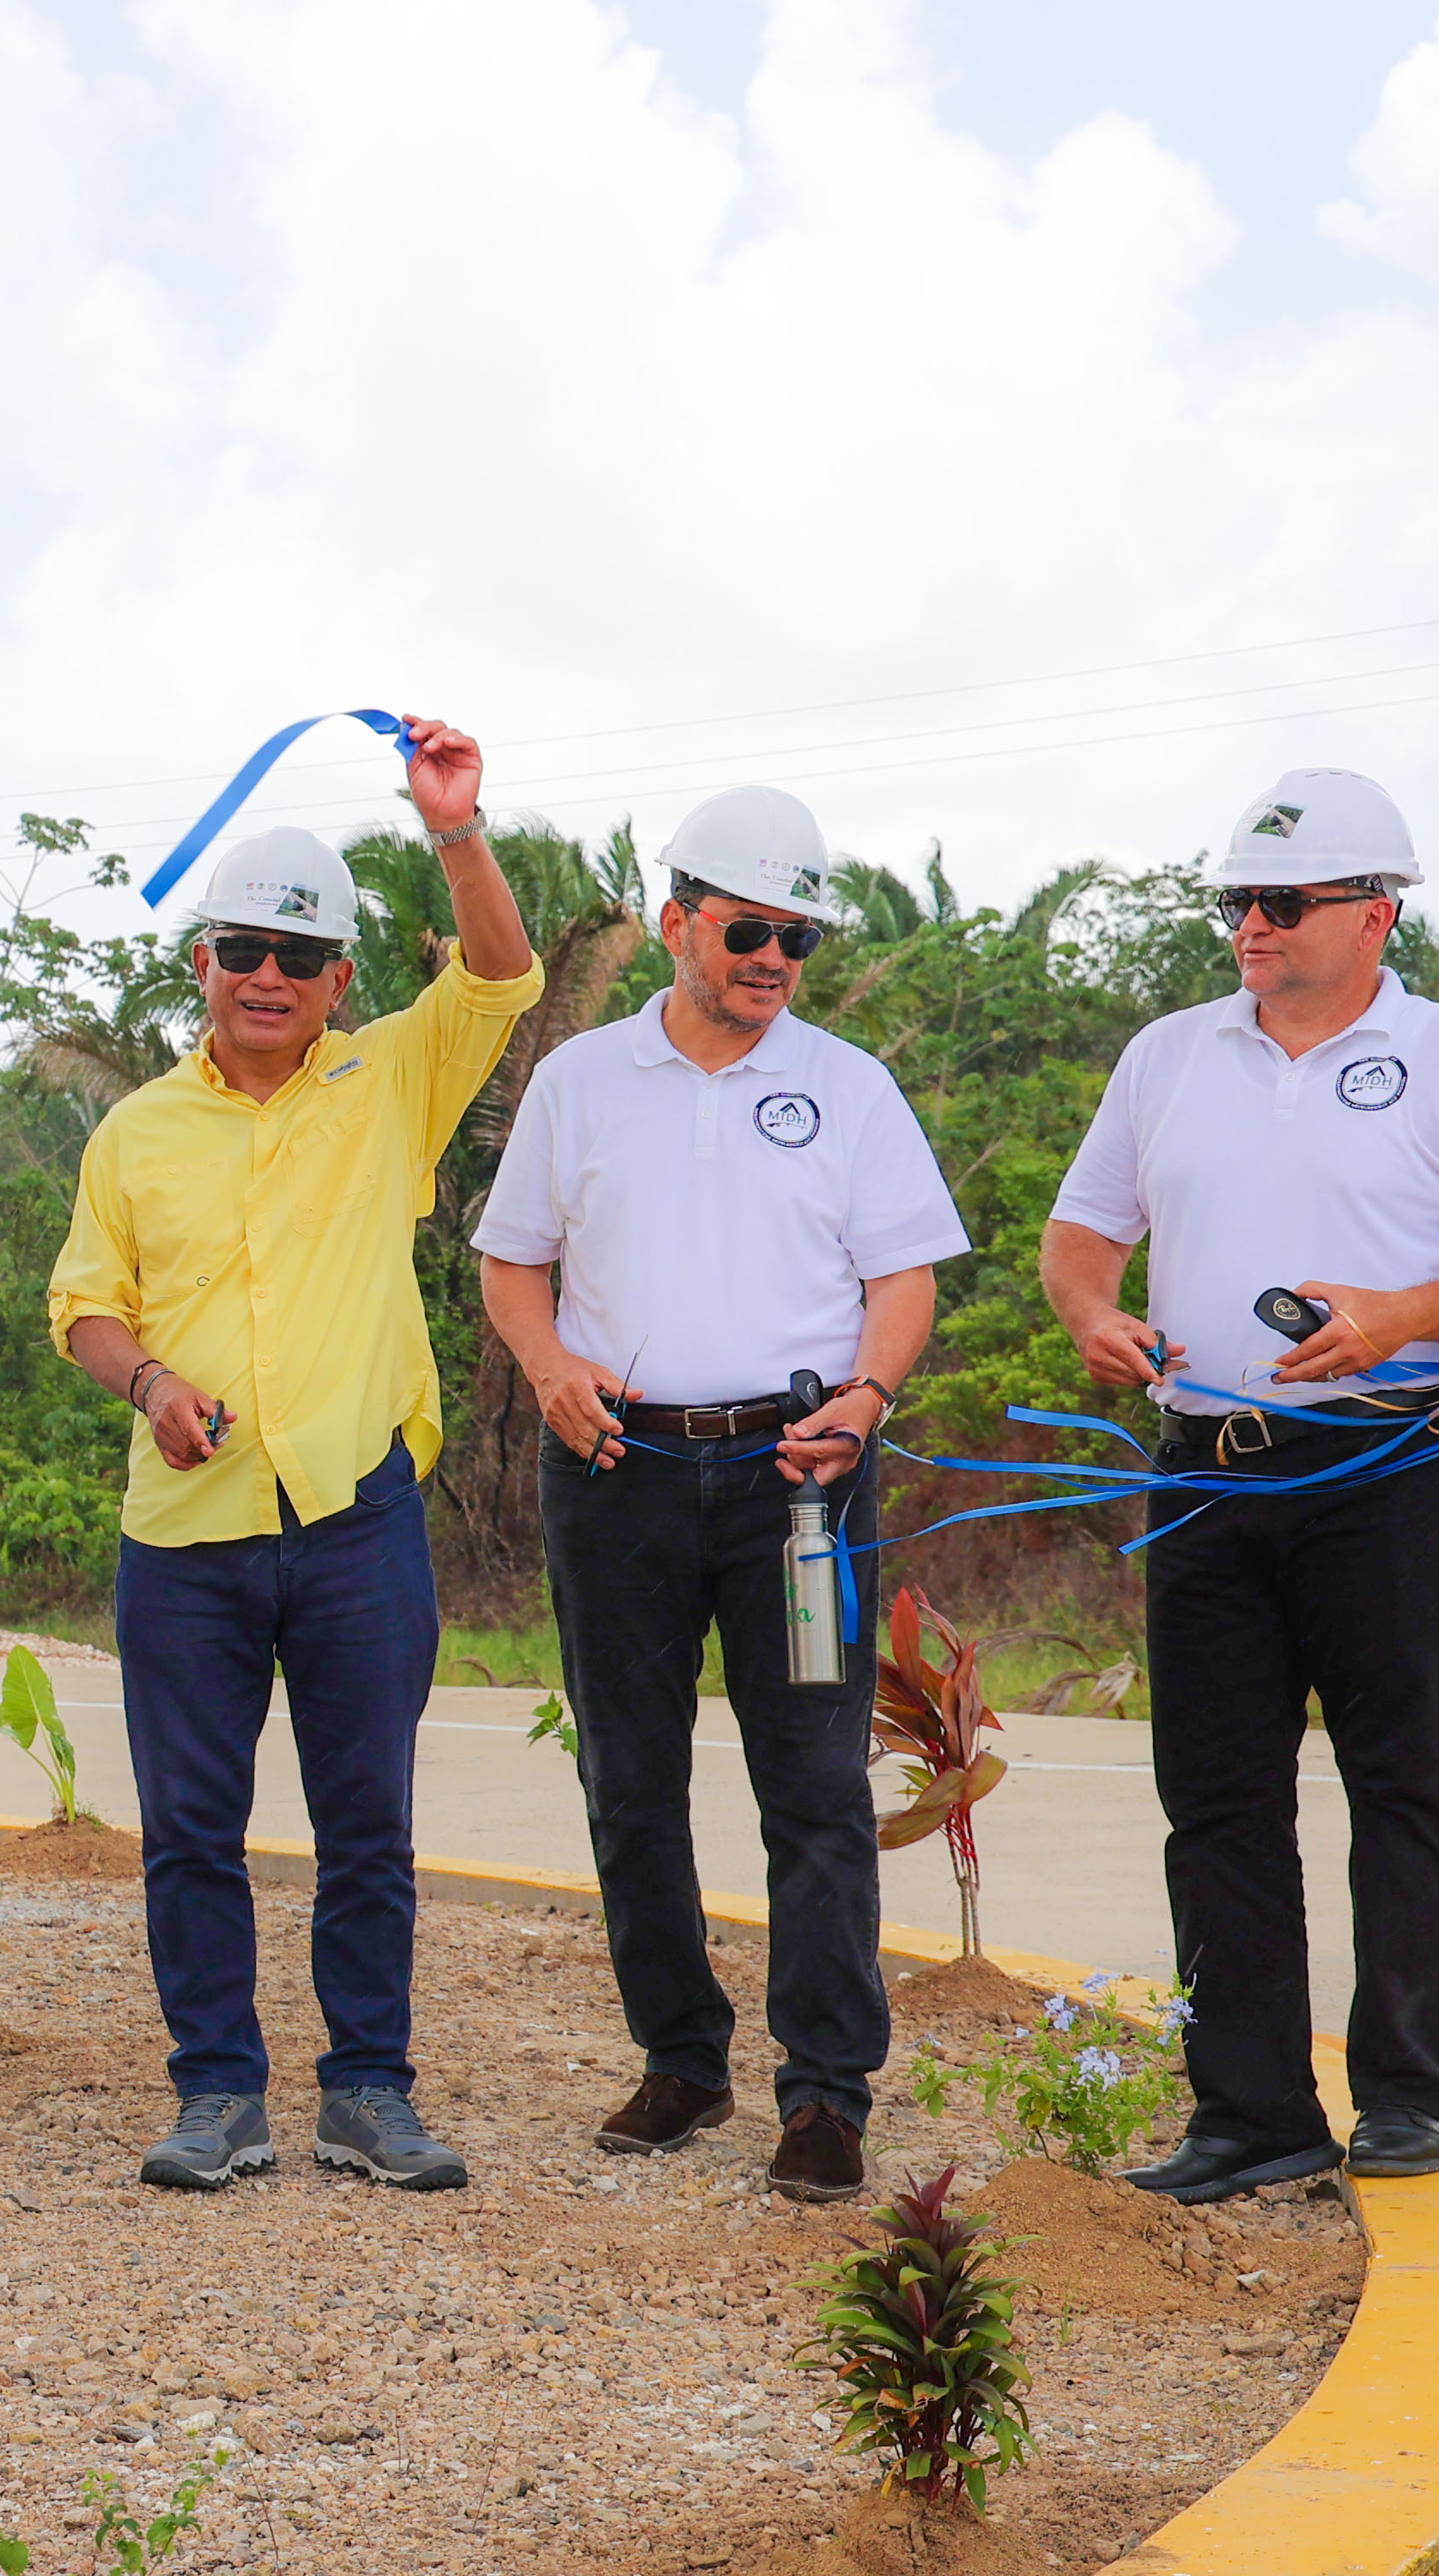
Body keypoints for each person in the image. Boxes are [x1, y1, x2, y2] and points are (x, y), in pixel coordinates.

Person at [1041, 770, 1439, 2203]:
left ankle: (1403, 2098)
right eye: (1235, 903)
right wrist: (1095, 1315)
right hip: (1207, 1471)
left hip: (1388, 1469)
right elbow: (1081, 1234)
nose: (1249, 928)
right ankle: (1250, 2114)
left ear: (1374, 911)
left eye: (1279, 904)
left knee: (1402, 1782)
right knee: (1215, 1794)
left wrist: (1402, 1315)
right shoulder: (1167, 1057)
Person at [45, 734, 543, 2198]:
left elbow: (504, 978)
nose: (268, 975)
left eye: (300, 955)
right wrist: (146, 1382)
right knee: (191, 1830)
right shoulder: (137, 1131)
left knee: (366, 1824)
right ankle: (216, 2096)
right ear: (202, 961)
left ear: (339, 979)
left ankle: (369, 2093)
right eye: (244, 948)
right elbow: (83, 1303)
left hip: (355, 1515)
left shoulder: (391, 1083)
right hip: (185, 1529)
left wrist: (454, 828)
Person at [473, 787, 967, 2208]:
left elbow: (904, 1275)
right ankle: (682, 2060)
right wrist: (551, 1369)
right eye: (749, 930)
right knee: (630, 1780)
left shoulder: (851, 1088)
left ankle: (825, 2097)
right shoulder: (579, 1084)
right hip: (617, 1473)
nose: (772, 960)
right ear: (679, 923)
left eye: (795, 939)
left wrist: (865, 1401)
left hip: (796, 1491)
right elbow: (513, 1264)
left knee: (811, 1785)